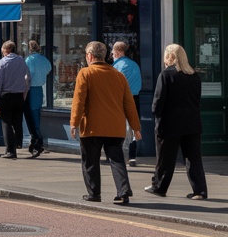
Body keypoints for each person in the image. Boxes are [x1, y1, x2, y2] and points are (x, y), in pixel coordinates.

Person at [70, 39, 141, 205]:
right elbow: (129, 104)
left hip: (92, 127)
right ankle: (123, 192)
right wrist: (135, 127)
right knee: (117, 161)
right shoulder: (119, 76)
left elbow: (79, 100)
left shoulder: (85, 73)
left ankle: (94, 193)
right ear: (105, 55)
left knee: (90, 162)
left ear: (89, 56)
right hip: (115, 127)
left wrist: (74, 123)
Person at [145, 43, 208, 199]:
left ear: (169, 56)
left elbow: (158, 101)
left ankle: (159, 187)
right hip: (192, 123)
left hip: (169, 124)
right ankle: (200, 191)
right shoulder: (194, 75)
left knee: (165, 159)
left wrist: (155, 115)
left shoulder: (166, 75)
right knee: (193, 158)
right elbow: (197, 100)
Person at [0, 39, 29, 158]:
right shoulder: (22, 61)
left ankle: (10, 150)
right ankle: (18, 142)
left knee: (6, 123)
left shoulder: (2, 63)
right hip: (19, 96)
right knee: (17, 121)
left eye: (2, 52)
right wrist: (24, 92)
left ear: (6, 51)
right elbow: (28, 77)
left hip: (6, 96)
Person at [111, 40, 142, 166]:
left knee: (119, 127)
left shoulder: (116, 67)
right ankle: (132, 156)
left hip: (121, 99)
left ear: (118, 52)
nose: (112, 55)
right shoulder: (134, 65)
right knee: (133, 127)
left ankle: (120, 156)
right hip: (135, 98)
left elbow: (114, 86)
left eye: (113, 52)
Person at [24, 39, 52, 157]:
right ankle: (36, 141)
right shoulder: (44, 60)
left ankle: (37, 142)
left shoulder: (29, 60)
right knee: (37, 116)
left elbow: (27, 75)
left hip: (31, 89)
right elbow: (49, 69)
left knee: (32, 117)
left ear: (29, 49)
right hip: (39, 89)